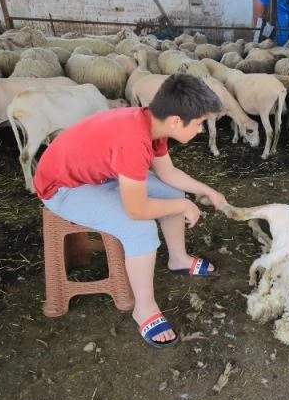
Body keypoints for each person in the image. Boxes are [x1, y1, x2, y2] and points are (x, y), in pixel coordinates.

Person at [33, 74, 227, 349]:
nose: (200, 130)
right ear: (175, 121)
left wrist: (206, 191)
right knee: (140, 228)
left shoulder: (151, 124)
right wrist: (185, 205)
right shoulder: (134, 142)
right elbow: (137, 210)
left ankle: (179, 259)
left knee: (171, 192)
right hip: (63, 188)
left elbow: (168, 174)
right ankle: (144, 309)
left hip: (98, 175)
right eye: (199, 123)